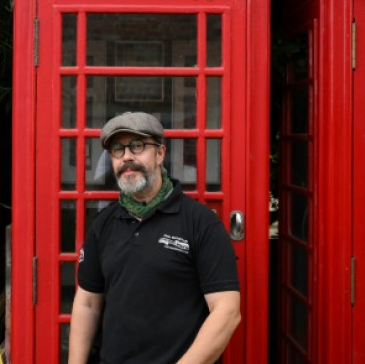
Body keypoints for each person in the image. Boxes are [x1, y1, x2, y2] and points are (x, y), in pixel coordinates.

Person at [68, 111, 241, 364]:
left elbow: (227, 311)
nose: (127, 157)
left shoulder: (200, 222)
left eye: (137, 146)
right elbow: (87, 304)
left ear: (160, 154)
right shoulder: (103, 224)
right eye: (117, 150)